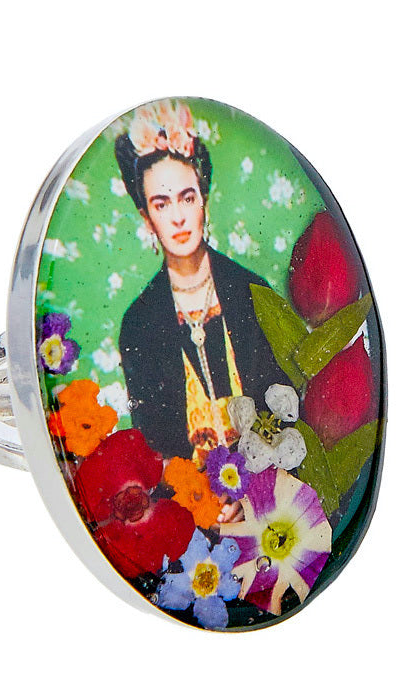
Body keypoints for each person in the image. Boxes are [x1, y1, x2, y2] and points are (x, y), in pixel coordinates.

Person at [116, 99, 287, 466]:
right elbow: (155, 449)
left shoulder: (252, 293)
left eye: (187, 197)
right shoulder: (139, 324)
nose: (178, 217)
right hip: (187, 496)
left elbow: (286, 406)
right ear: (147, 218)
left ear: (203, 201)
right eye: (161, 204)